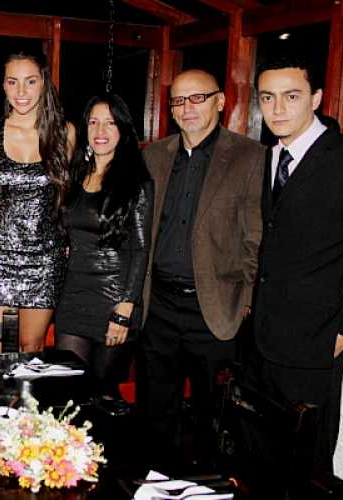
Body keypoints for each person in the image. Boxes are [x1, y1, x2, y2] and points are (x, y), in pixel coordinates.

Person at [250, 54, 343, 478]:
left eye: (292, 96)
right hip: (260, 342)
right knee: (260, 461)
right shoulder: (267, 159)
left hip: (314, 346)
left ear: (316, 98)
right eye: (268, 98)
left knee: (304, 468)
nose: (278, 109)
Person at [137, 69, 265, 469]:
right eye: (178, 100)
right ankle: (158, 483)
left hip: (215, 310)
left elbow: (256, 240)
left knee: (215, 419)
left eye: (198, 98)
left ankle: (210, 487)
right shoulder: (154, 156)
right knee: (156, 413)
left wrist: (245, 303)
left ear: (220, 101)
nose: (187, 108)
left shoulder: (251, 157)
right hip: (158, 307)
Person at [0, 52, 75, 352]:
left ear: (43, 83)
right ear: (3, 85)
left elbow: (66, 199)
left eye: (30, 81)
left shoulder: (65, 133)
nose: (21, 91)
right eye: (12, 82)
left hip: (46, 259)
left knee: (31, 346)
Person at [55, 93, 152, 398]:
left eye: (110, 123)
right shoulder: (76, 175)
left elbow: (140, 250)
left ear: (122, 130)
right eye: (94, 122)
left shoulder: (135, 181)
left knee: (102, 394)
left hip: (113, 302)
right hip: (72, 299)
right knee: (68, 390)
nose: (100, 130)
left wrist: (124, 310)